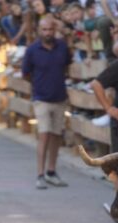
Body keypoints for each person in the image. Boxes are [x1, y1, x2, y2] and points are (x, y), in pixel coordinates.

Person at [22, 17, 71, 190]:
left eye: (50, 29)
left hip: (59, 97)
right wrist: (38, 85)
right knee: (44, 134)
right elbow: (26, 73)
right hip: (41, 98)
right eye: (44, 30)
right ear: (39, 31)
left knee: (57, 135)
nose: (47, 33)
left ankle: (52, 171)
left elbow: (66, 65)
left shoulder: (62, 47)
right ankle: (40, 174)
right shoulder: (32, 50)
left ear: (54, 30)